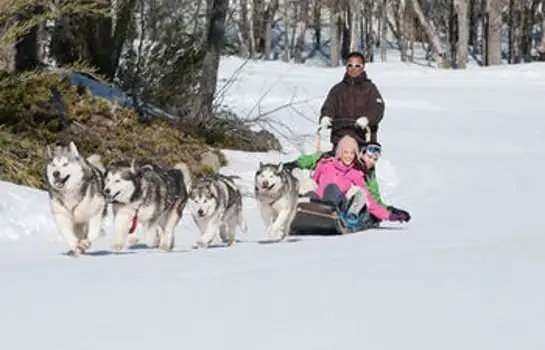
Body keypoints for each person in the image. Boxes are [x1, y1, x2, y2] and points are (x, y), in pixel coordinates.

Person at [285, 141, 411, 227]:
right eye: (369, 157)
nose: (372, 161)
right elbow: (315, 168)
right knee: (306, 183)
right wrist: (296, 164)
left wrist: (389, 213)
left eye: (375, 159)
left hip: (341, 205)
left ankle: (339, 213)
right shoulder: (326, 163)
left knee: (335, 189)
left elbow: (372, 199)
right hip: (318, 198)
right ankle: (298, 207)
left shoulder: (359, 174)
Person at [318, 51, 385, 149]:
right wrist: (326, 117)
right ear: (346, 67)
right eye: (350, 65)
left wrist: (367, 119)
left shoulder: (370, 89)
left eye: (357, 66)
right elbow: (329, 106)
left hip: (363, 140)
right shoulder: (337, 89)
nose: (353, 69)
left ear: (362, 68)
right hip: (340, 139)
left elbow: (377, 108)